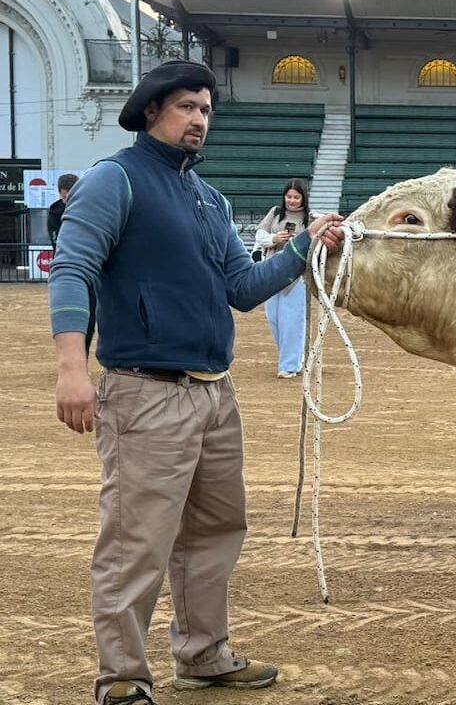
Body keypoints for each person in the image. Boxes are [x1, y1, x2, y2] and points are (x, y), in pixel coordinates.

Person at [48, 60, 346, 705]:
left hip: (215, 393)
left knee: (215, 532)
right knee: (136, 542)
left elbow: (241, 289)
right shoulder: (113, 180)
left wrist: (304, 248)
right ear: (152, 111)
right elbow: (72, 270)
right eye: (187, 107)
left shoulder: (210, 200)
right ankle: (122, 678)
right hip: (143, 392)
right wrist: (73, 368)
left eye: (206, 110)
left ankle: (203, 655)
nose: (200, 120)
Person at [255, 179, 313, 378]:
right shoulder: (275, 213)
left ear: (303, 198)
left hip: (296, 276)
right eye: (289, 196)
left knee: (292, 320)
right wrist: (274, 239)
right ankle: (292, 359)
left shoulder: (310, 219)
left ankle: (289, 365)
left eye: (296, 197)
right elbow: (260, 233)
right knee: (274, 319)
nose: (292, 201)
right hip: (271, 271)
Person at [47, 172, 78, 250]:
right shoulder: (54, 214)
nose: (68, 201)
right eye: (64, 197)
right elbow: (56, 243)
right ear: (60, 194)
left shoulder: (87, 209)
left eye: (71, 197)